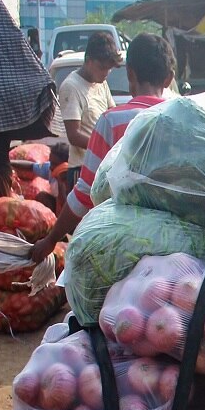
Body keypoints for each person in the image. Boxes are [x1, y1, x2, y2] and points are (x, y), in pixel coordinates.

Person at [31, 34, 176, 262]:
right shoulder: (184, 119)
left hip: (125, 248)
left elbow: (84, 195)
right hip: (175, 247)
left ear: (130, 73)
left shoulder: (111, 122)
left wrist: (51, 240)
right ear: (169, 78)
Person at [56, 31, 120, 196]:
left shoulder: (101, 83)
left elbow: (112, 114)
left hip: (103, 167)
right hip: (82, 169)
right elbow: (74, 135)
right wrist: (104, 145)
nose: (105, 73)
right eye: (102, 68)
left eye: (109, 69)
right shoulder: (71, 86)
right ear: (88, 60)